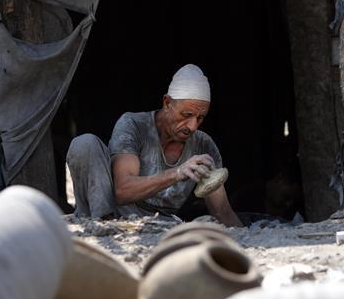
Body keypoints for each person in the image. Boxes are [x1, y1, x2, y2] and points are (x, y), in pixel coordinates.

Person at [67, 64, 242, 227]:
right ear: (167, 103)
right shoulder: (134, 125)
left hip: (160, 223)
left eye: (200, 118)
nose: (192, 126)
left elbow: (223, 212)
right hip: (114, 212)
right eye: (186, 115)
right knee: (85, 143)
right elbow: (122, 190)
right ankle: (101, 224)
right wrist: (178, 172)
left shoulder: (204, 145)